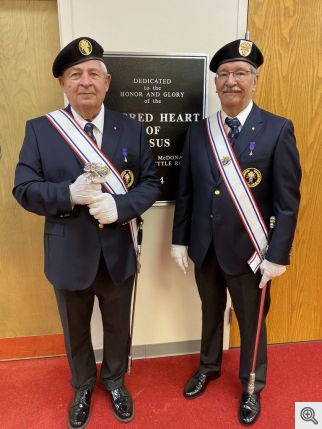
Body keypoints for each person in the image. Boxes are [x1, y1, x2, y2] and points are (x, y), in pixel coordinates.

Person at [13, 37, 160, 428]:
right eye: (75, 74)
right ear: (63, 83)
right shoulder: (41, 131)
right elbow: (22, 189)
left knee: (117, 326)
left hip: (117, 251)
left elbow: (151, 182)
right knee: (75, 328)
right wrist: (67, 194)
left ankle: (113, 380)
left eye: (93, 73)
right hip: (68, 254)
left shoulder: (131, 129)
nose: (85, 81)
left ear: (107, 82)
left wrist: (122, 206)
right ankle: (81, 385)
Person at [171, 39, 301, 425]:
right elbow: (187, 192)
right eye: (224, 74)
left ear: (254, 81)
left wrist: (278, 254)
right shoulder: (199, 132)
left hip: (251, 253)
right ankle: (208, 367)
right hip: (205, 247)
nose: (231, 81)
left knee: (251, 320)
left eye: (240, 73)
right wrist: (180, 239)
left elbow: (287, 201)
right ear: (215, 84)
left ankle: (251, 384)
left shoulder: (278, 130)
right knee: (209, 312)